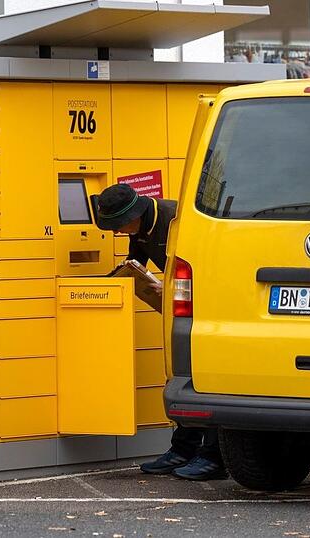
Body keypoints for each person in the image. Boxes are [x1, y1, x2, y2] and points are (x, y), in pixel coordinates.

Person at [95, 183, 225, 481]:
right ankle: (183, 450)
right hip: (183, 309)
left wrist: (166, 286)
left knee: (207, 379)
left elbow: (210, 266)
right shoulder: (139, 230)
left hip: (210, 309)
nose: (116, 232)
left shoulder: (179, 220)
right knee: (182, 378)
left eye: (118, 225)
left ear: (136, 214)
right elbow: (136, 264)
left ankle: (214, 456)